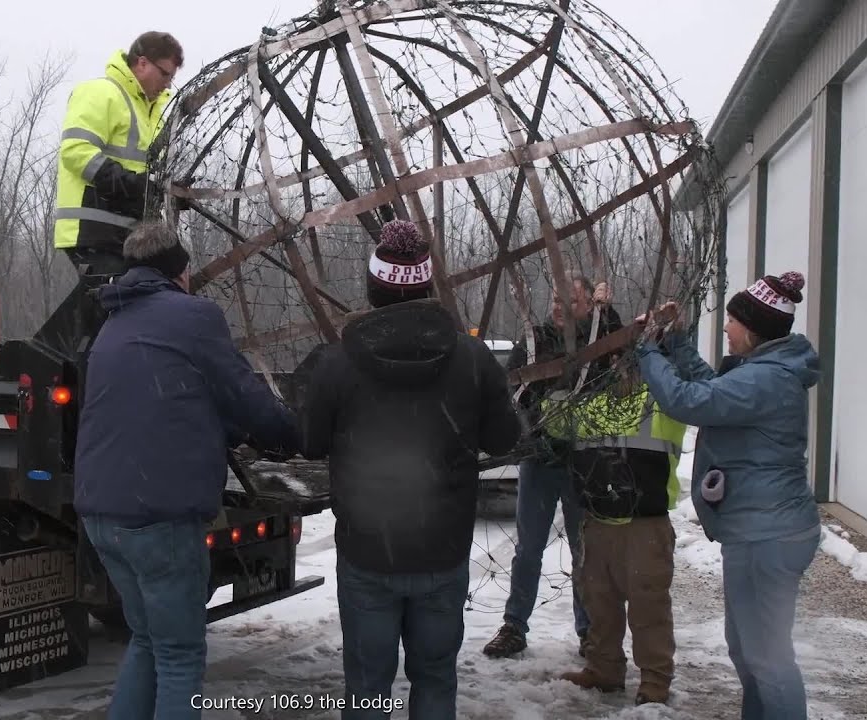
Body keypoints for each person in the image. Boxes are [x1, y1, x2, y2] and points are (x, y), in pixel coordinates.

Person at [74, 221, 301, 719]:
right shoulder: (193, 316)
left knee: (150, 641)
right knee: (179, 655)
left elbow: (163, 403)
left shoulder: (114, 322)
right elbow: (246, 397)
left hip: (101, 511)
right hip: (157, 514)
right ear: (180, 271)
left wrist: (221, 430)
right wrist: (293, 435)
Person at [300, 219, 521, 719]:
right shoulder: (472, 357)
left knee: (367, 688)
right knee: (436, 679)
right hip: (442, 553)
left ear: (373, 288)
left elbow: (310, 444)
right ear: (426, 286)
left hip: (367, 554)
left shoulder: (336, 363)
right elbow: (504, 439)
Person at [634, 271, 821, 720]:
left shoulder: (766, 381)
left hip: (768, 535)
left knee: (768, 658)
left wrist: (647, 350)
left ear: (752, 328)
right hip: (759, 531)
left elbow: (688, 400)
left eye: (732, 321)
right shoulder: (762, 372)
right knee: (749, 651)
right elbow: (711, 387)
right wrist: (675, 342)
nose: (725, 328)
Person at [482, 276, 621, 659]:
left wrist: (607, 311)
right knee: (529, 548)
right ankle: (514, 625)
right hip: (540, 461)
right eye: (556, 298)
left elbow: (620, 349)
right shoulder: (534, 340)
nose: (559, 306)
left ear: (588, 306)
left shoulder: (597, 334)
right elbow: (512, 389)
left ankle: (588, 630)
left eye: (570, 300)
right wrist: (535, 425)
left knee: (584, 549)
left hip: (584, 461)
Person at [547, 356, 687, 706]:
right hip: (598, 522)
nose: (621, 373)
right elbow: (551, 419)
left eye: (630, 366)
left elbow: (688, 395)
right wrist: (554, 371)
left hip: (645, 525)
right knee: (600, 603)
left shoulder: (663, 402)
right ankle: (604, 668)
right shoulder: (589, 404)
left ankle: (654, 682)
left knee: (648, 607)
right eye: (614, 365)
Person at [54, 31, 183, 281]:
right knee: (121, 305)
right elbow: (76, 151)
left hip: (132, 234)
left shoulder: (151, 113)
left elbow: (146, 174)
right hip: (95, 230)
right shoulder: (101, 93)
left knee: (162, 288)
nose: (168, 84)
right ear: (142, 63)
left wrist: (163, 191)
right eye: (165, 73)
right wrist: (133, 185)